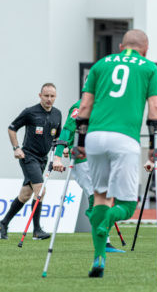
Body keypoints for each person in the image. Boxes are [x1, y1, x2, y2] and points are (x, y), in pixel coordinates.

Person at [75, 29, 157, 278]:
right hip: (124, 138)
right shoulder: (149, 68)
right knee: (126, 205)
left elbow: (85, 105)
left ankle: (98, 257)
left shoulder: (100, 64)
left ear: (122, 45)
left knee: (100, 196)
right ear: (145, 48)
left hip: (94, 137)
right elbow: (155, 107)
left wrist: (80, 140)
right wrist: (155, 145)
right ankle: (105, 220)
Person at [52, 99, 124, 253]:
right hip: (82, 160)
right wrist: (57, 157)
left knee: (105, 196)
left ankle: (103, 237)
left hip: (99, 159)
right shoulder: (79, 106)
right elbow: (67, 130)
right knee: (95, 196)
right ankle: (103, 241)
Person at [1, 83, 62, 240]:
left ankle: (3, 223)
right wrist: (16, 148)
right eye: (46, 95)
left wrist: (62, 150)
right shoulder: (30, 112)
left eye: (52, 96)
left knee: (25, 194)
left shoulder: (57, 114)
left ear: (55, 97)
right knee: (40, 190)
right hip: (28, 157)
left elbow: (57, 138)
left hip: (43, 159)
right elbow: (11, 128)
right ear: (40, 95)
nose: (49, 99)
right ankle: (36, 230)